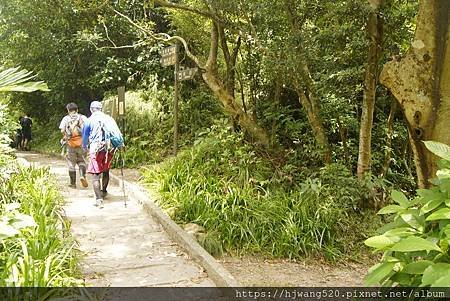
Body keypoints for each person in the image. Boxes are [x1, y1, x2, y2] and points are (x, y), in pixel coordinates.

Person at [82, 101, 122, 208]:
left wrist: (84, 147)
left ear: (91, 109)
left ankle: (99, 199)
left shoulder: (89, 120)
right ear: (101, 109)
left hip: (95, 149)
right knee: (106, 170)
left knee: (96, 175)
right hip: (109, 148)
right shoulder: (109, 119)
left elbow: (85, 137)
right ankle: (104, 191)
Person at [59, 102, 88, 189]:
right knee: (82, 161)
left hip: (70, 144)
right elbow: (87, 129)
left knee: (71, 163)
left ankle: (73, 183)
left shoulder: (66, 118)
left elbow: (62, 130)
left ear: (68, 110)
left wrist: (65, 137)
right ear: (77, 110)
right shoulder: (82, 117)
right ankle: (82, 175)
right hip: (81, 143)